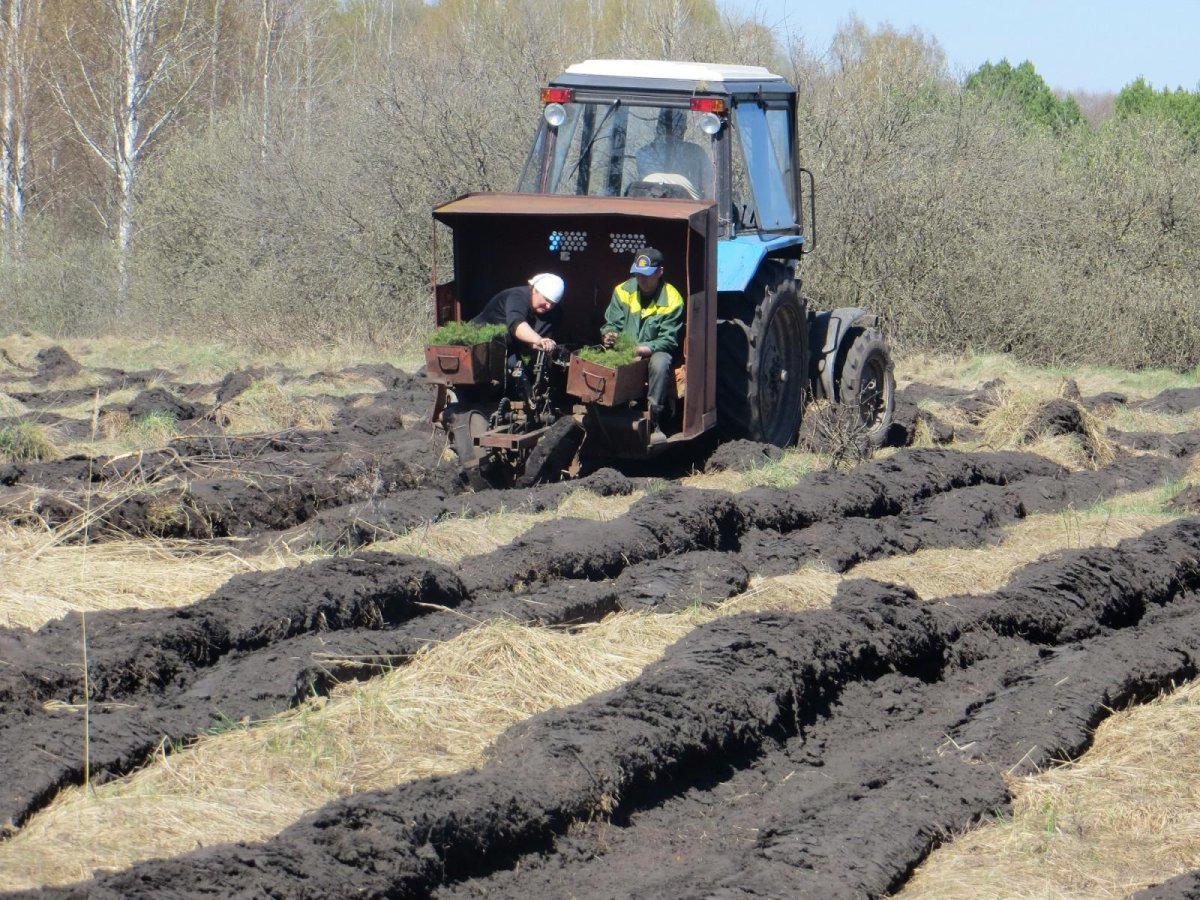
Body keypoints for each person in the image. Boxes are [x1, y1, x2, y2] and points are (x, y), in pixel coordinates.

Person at [600, 247, 684, 446]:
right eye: (637, 273)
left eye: (646, 275)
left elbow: (668, 340)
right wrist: (609, 334)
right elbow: (611, 323)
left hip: (654, 350)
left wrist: (642, 349)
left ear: (660, 272)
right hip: (625, 349)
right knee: (605, 359)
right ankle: (610, 411)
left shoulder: (672, 299)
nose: (641, 279)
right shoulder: (622, 291)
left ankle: (655, 420)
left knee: (660, 363)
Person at [470, 273, 565, 357]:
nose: (548, 306)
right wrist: (538, 339)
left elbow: (536, 339)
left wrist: (540, 343)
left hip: (508, 349)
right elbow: (517, 326)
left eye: (553, 303)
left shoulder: (554, 312)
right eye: (546, 300)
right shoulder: (518, 296)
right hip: (478, 343)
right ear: (535, 290)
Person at [634, 109, 714, 200]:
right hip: (691, 210)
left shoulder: (642, 153)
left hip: (645, 207)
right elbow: (710, 190)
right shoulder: (697, 152)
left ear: (658, 127)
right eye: (683, 126)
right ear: (682, 129)